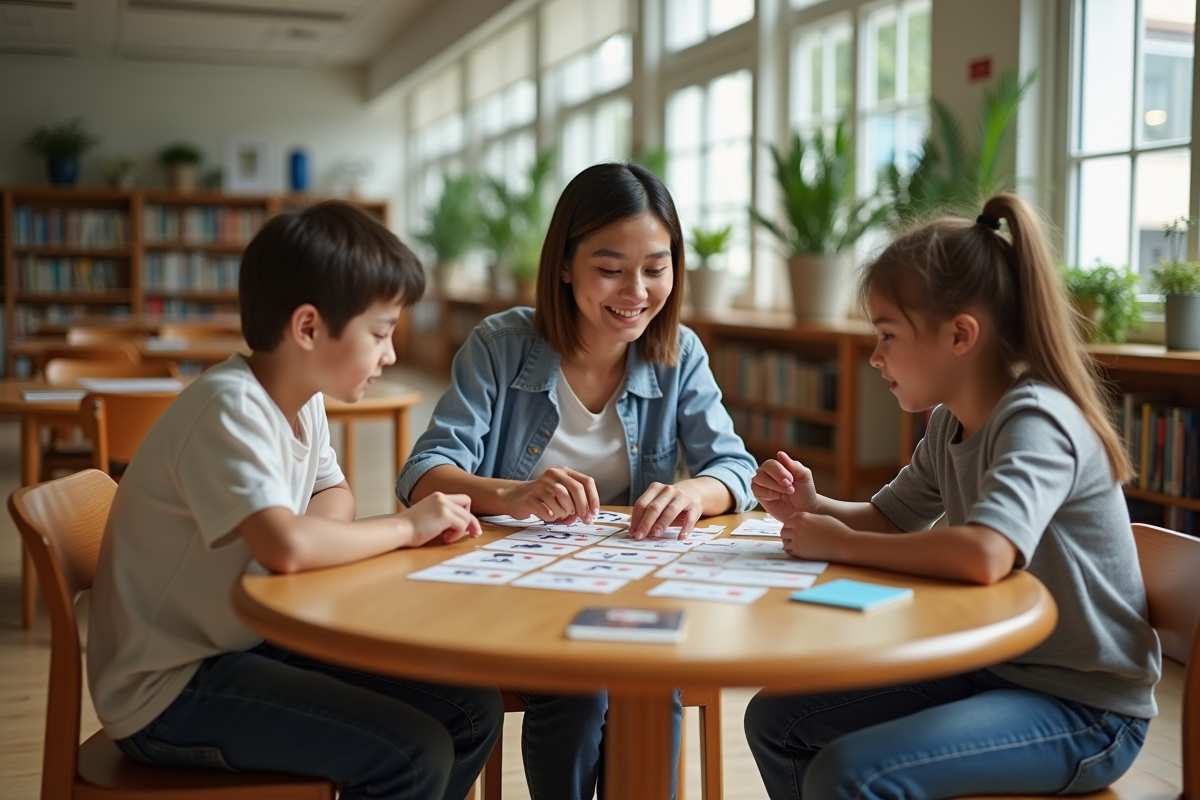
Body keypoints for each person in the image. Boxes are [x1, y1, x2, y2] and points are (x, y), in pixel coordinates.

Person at [744, 193, 1162, 799]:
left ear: (961, 335)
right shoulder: (949, 421)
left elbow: (985, 555)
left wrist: (839, 544)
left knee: (850, 771)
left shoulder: (1037, 420)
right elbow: (889, 518)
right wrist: (816, 508)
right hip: (996, 670)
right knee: (776, 719)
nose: (876, 355)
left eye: (887, 335)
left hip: (1086, 708)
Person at [87, 201, 504, 800]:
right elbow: (285, 546)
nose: (389, 354)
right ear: (308, 328)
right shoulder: (231, 408)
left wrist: (310, 541)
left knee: (470, 709)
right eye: (381, 333)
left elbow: (332, 493)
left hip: (245, 641)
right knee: (413, 753)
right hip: (167, 688)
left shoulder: (299, 397)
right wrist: (405, 528)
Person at [397, 162, 758, 799]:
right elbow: (424, 473)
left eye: (657, 266)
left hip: (631, 586)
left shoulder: (681, 353)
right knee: (580, 688)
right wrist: (509, 493)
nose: (637, 290)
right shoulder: (500, 344)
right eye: (610, 267)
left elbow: (735, 469)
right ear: (564, 264)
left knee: (647, 680)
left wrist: (692, 493)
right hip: (517, 589)